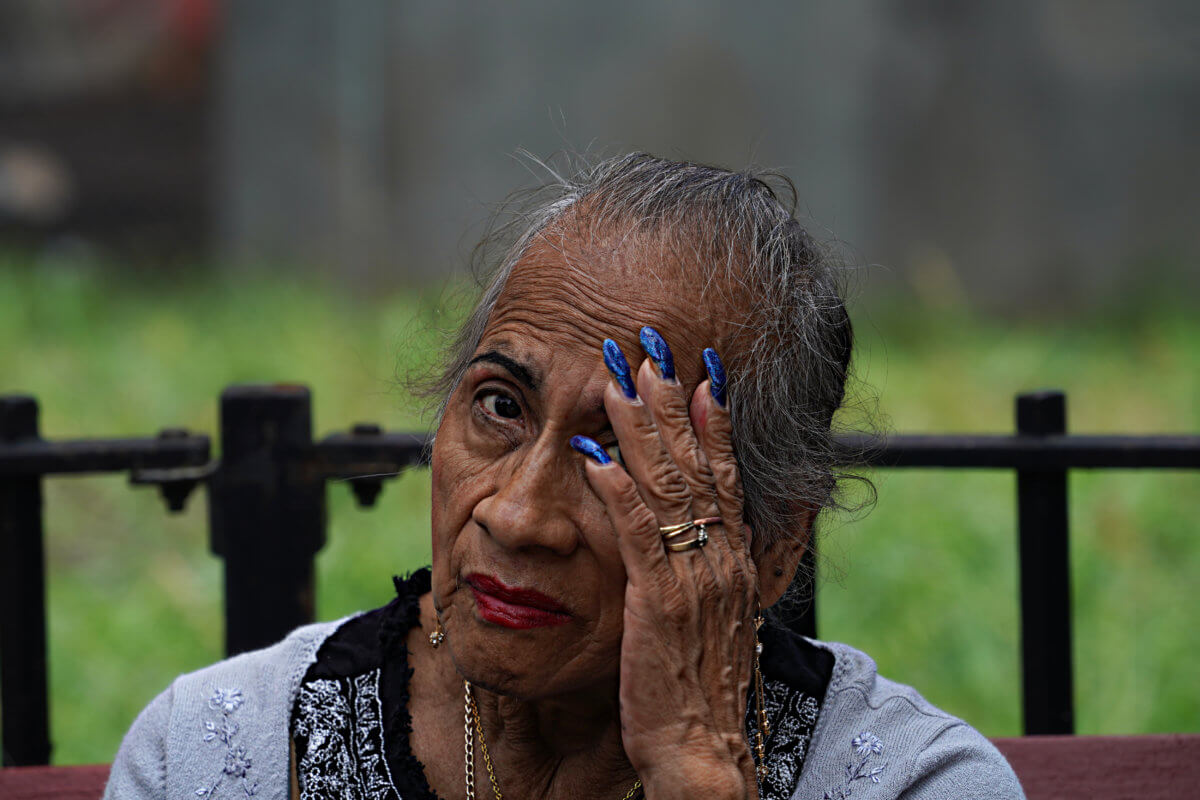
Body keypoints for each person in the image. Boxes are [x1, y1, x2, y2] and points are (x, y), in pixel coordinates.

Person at [105, 153, 1024, 800]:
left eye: (622, 450)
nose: (516, 515)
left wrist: (696, 773)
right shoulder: (216, 752)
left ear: (776, 542)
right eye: (500, 406)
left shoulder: (912, 781)